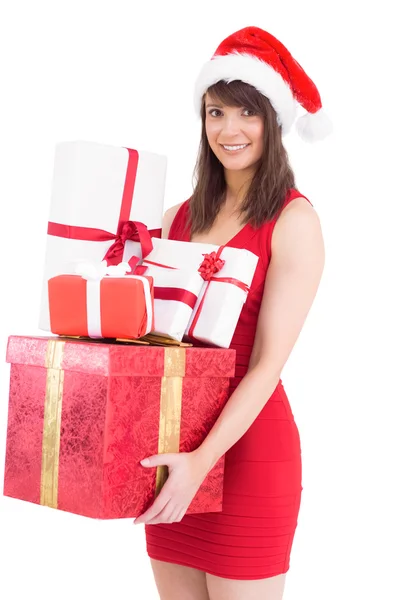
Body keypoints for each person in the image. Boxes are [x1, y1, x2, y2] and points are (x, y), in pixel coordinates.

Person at [133, 25, 331, 600]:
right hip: (173, 455)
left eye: (246, 113)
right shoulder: (172, 219)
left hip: (247, 455)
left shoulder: (294, 222)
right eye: (215, 112)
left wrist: (202, 460)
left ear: (273, 120)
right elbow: (143, 343)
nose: (229, 130)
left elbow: (267, 366)